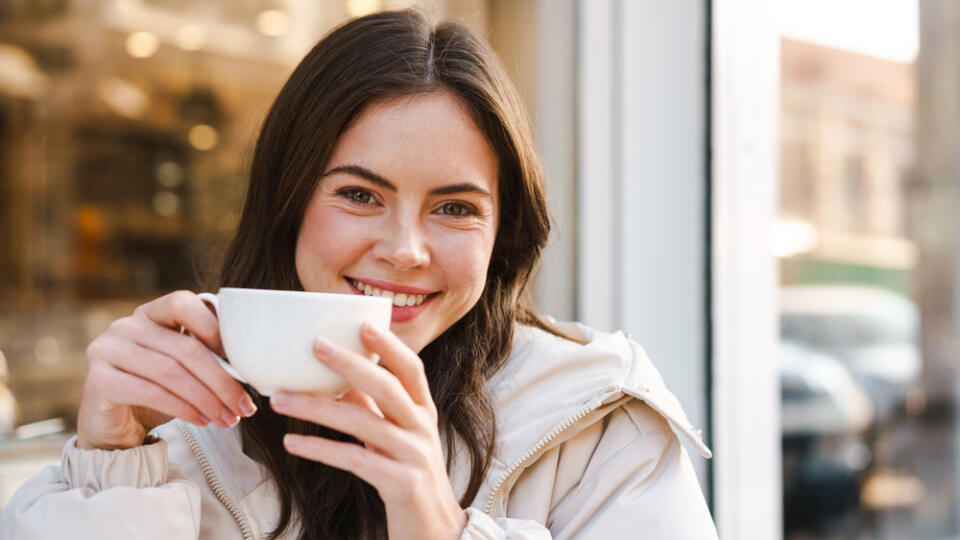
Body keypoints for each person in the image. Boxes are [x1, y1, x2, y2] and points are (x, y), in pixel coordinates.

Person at [0, 10, 718, 539]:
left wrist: (441, 526)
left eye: (455, 207)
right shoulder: (185, 420)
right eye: (359, 194)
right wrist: (108, 463)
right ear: (288, 202)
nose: (405, 249)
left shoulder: (597, 425)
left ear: (503, 233)